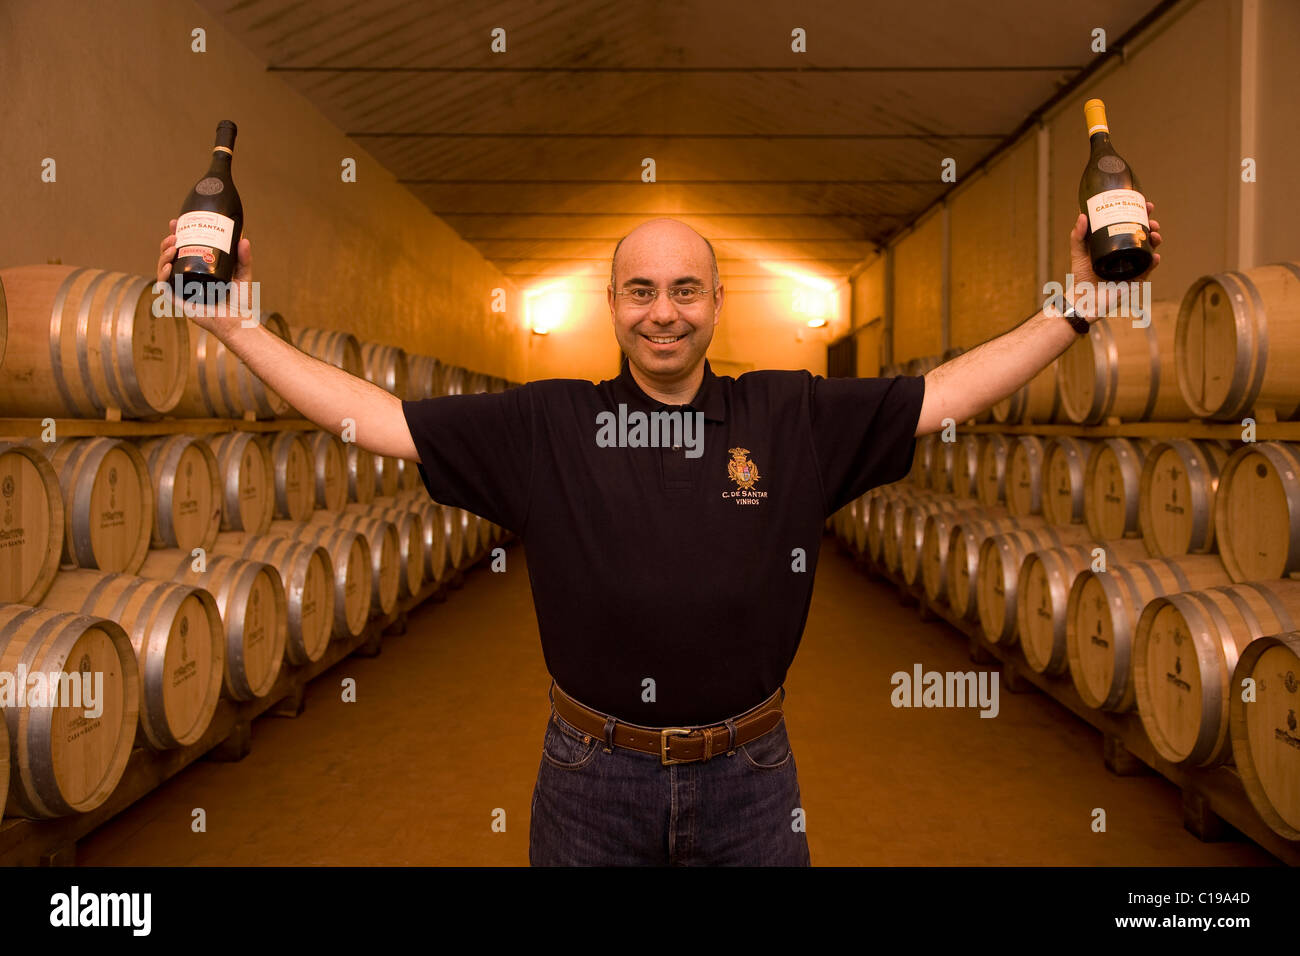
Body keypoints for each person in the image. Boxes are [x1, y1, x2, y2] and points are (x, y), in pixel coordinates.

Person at [156, 206, 1161, 866]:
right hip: (593, 777)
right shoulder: (546, 423)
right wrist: (235, 326)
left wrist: (1076, 304)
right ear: (613, 306)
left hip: (751, 776)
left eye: (686, 290)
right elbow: (375, 419)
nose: (664, 312)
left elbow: (944, 395)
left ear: (717, 303)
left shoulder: (790, 414)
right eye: (641, 291)